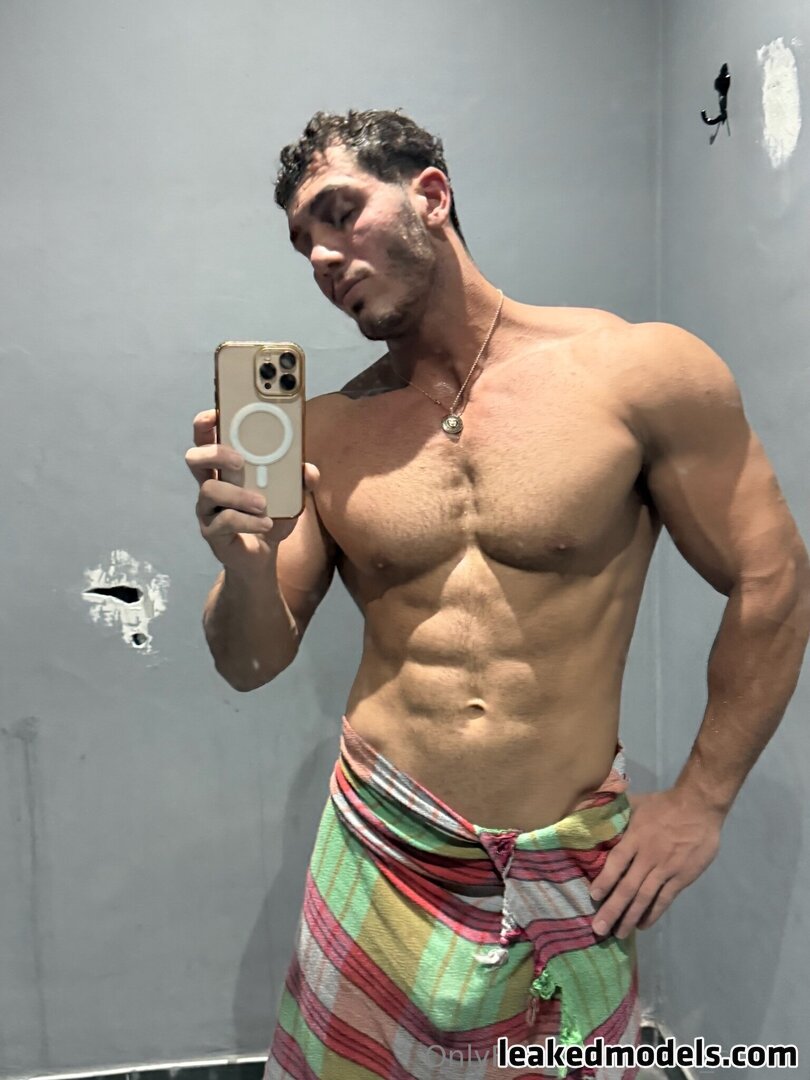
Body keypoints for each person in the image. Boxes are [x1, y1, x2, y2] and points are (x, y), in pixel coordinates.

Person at [185, 109, 810, 1079]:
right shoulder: (324, 435)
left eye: (339, 214)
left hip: (570, 861)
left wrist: (701, 801)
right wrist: (245, 567)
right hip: (380, 849)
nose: (322, 256)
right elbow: (249, 661)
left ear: (431, 197)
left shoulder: (635, 372)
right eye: (303, 242)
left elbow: (774, 577)